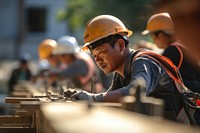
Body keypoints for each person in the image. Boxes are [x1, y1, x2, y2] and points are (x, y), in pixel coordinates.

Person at [70, 15, 193, 123]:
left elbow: (134, 91)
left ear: (120, 45)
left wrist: (93, 98)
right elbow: (109, 97)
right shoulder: (121, 72)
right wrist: (84, 98)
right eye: (95, 56)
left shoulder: (142, 61)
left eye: (101, 52)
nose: (98, 60)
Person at [142, 12, 200, 93]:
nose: (153, 41)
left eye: (153, 37)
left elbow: (160, 78)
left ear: (161, 36)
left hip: (190, 97)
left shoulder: (172, 50)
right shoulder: (184, 45)